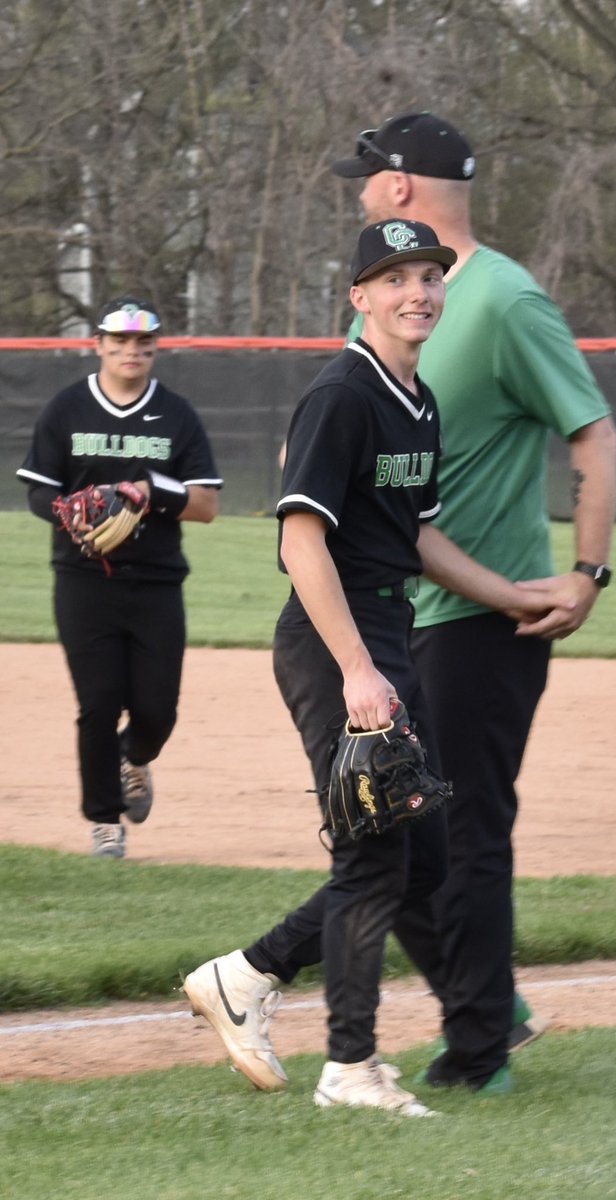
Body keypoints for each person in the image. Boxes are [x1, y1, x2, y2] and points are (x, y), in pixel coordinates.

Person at [183, 220, 560, 1115]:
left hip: (389, 636)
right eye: (395, 279)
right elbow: (300, 535)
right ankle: (350, 1067)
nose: (418, 292)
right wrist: (356, 670)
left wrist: (510, 597)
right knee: (373, 857)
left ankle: (246, 974)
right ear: (360, 297)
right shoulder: (343, 394)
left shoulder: (416, 399)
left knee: (421, 857)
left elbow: (416, 535)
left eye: (430, 275)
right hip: (334, 643)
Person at [330, 113, 616, 1094]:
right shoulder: (396, 299)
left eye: (370, 179)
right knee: (392, 826)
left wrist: (587, 574)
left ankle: (479, 1048)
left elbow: (596, 434)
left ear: (403, 187)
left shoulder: (501, 299)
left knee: (466, 830)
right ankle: (482, 989)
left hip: (488, 619)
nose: (362, 191)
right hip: (395, 613)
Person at [17, 296, 222, 859]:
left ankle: (135, 757)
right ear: (100, 344)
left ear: (155, 348)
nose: (131, 351)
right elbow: (37, 487)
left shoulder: (176, 415)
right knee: (99, 702)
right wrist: (63, 510)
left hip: (156, 581)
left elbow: (205, 505)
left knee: (158, 709)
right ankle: (105, 821)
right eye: (120, 341)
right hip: (83, 580)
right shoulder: (68, 408)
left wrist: (151, 491)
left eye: (142, 342)